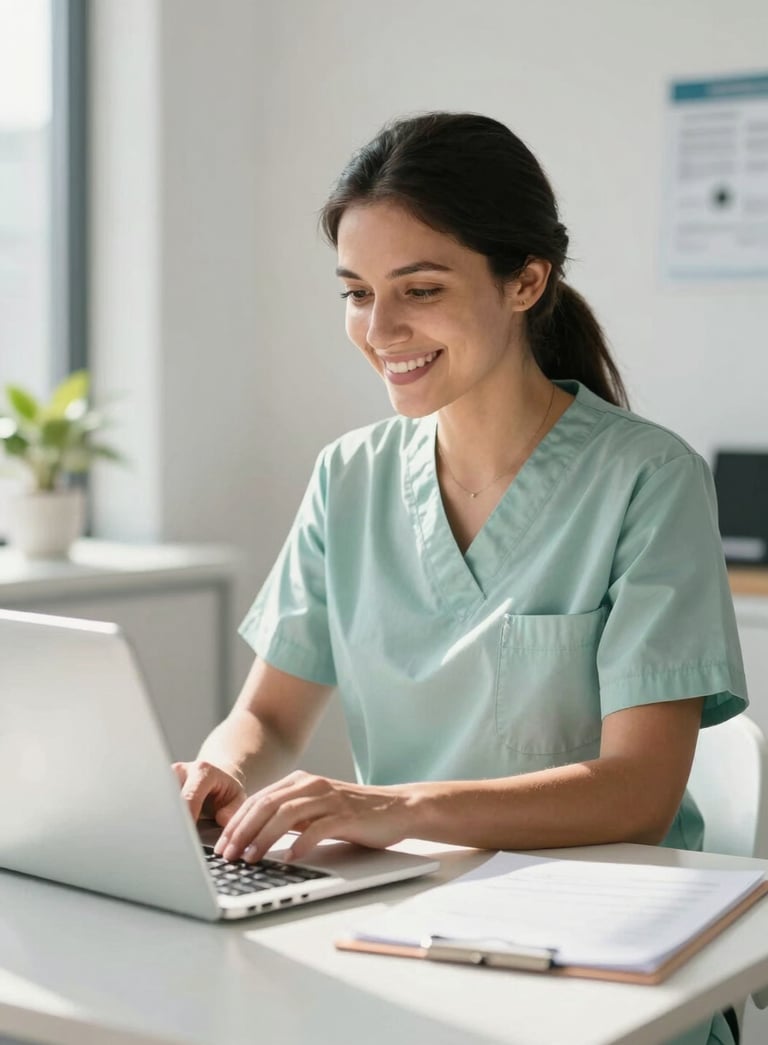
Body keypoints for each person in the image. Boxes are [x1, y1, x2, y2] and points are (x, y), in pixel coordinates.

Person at [174, 113, 747, 1045]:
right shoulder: (348, 476)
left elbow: (638, 788)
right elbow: (271, 718)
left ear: (526, 281)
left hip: (602, 964)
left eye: (421, 289)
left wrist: (386, 808)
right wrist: (220, 772)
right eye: (356, 292)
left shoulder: (648, 480)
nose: (380, 328)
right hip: (400, 933)